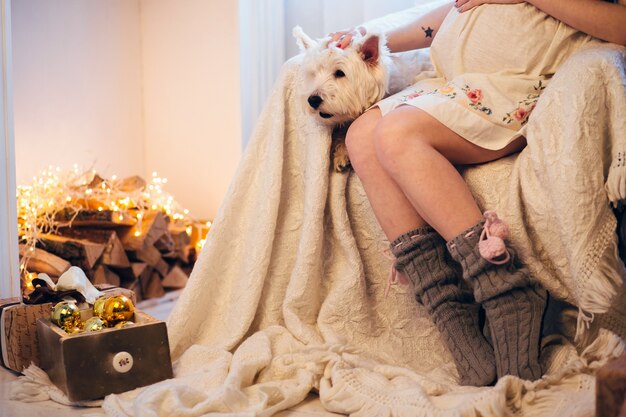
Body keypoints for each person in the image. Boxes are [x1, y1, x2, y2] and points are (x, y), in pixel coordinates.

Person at [328, 0, 626, 386]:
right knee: (361, 138)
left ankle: (505, 290)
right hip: (455, 83)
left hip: (514, 84)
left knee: (396, 134)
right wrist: (374, 38)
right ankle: (450, 311)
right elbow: (457, 11)